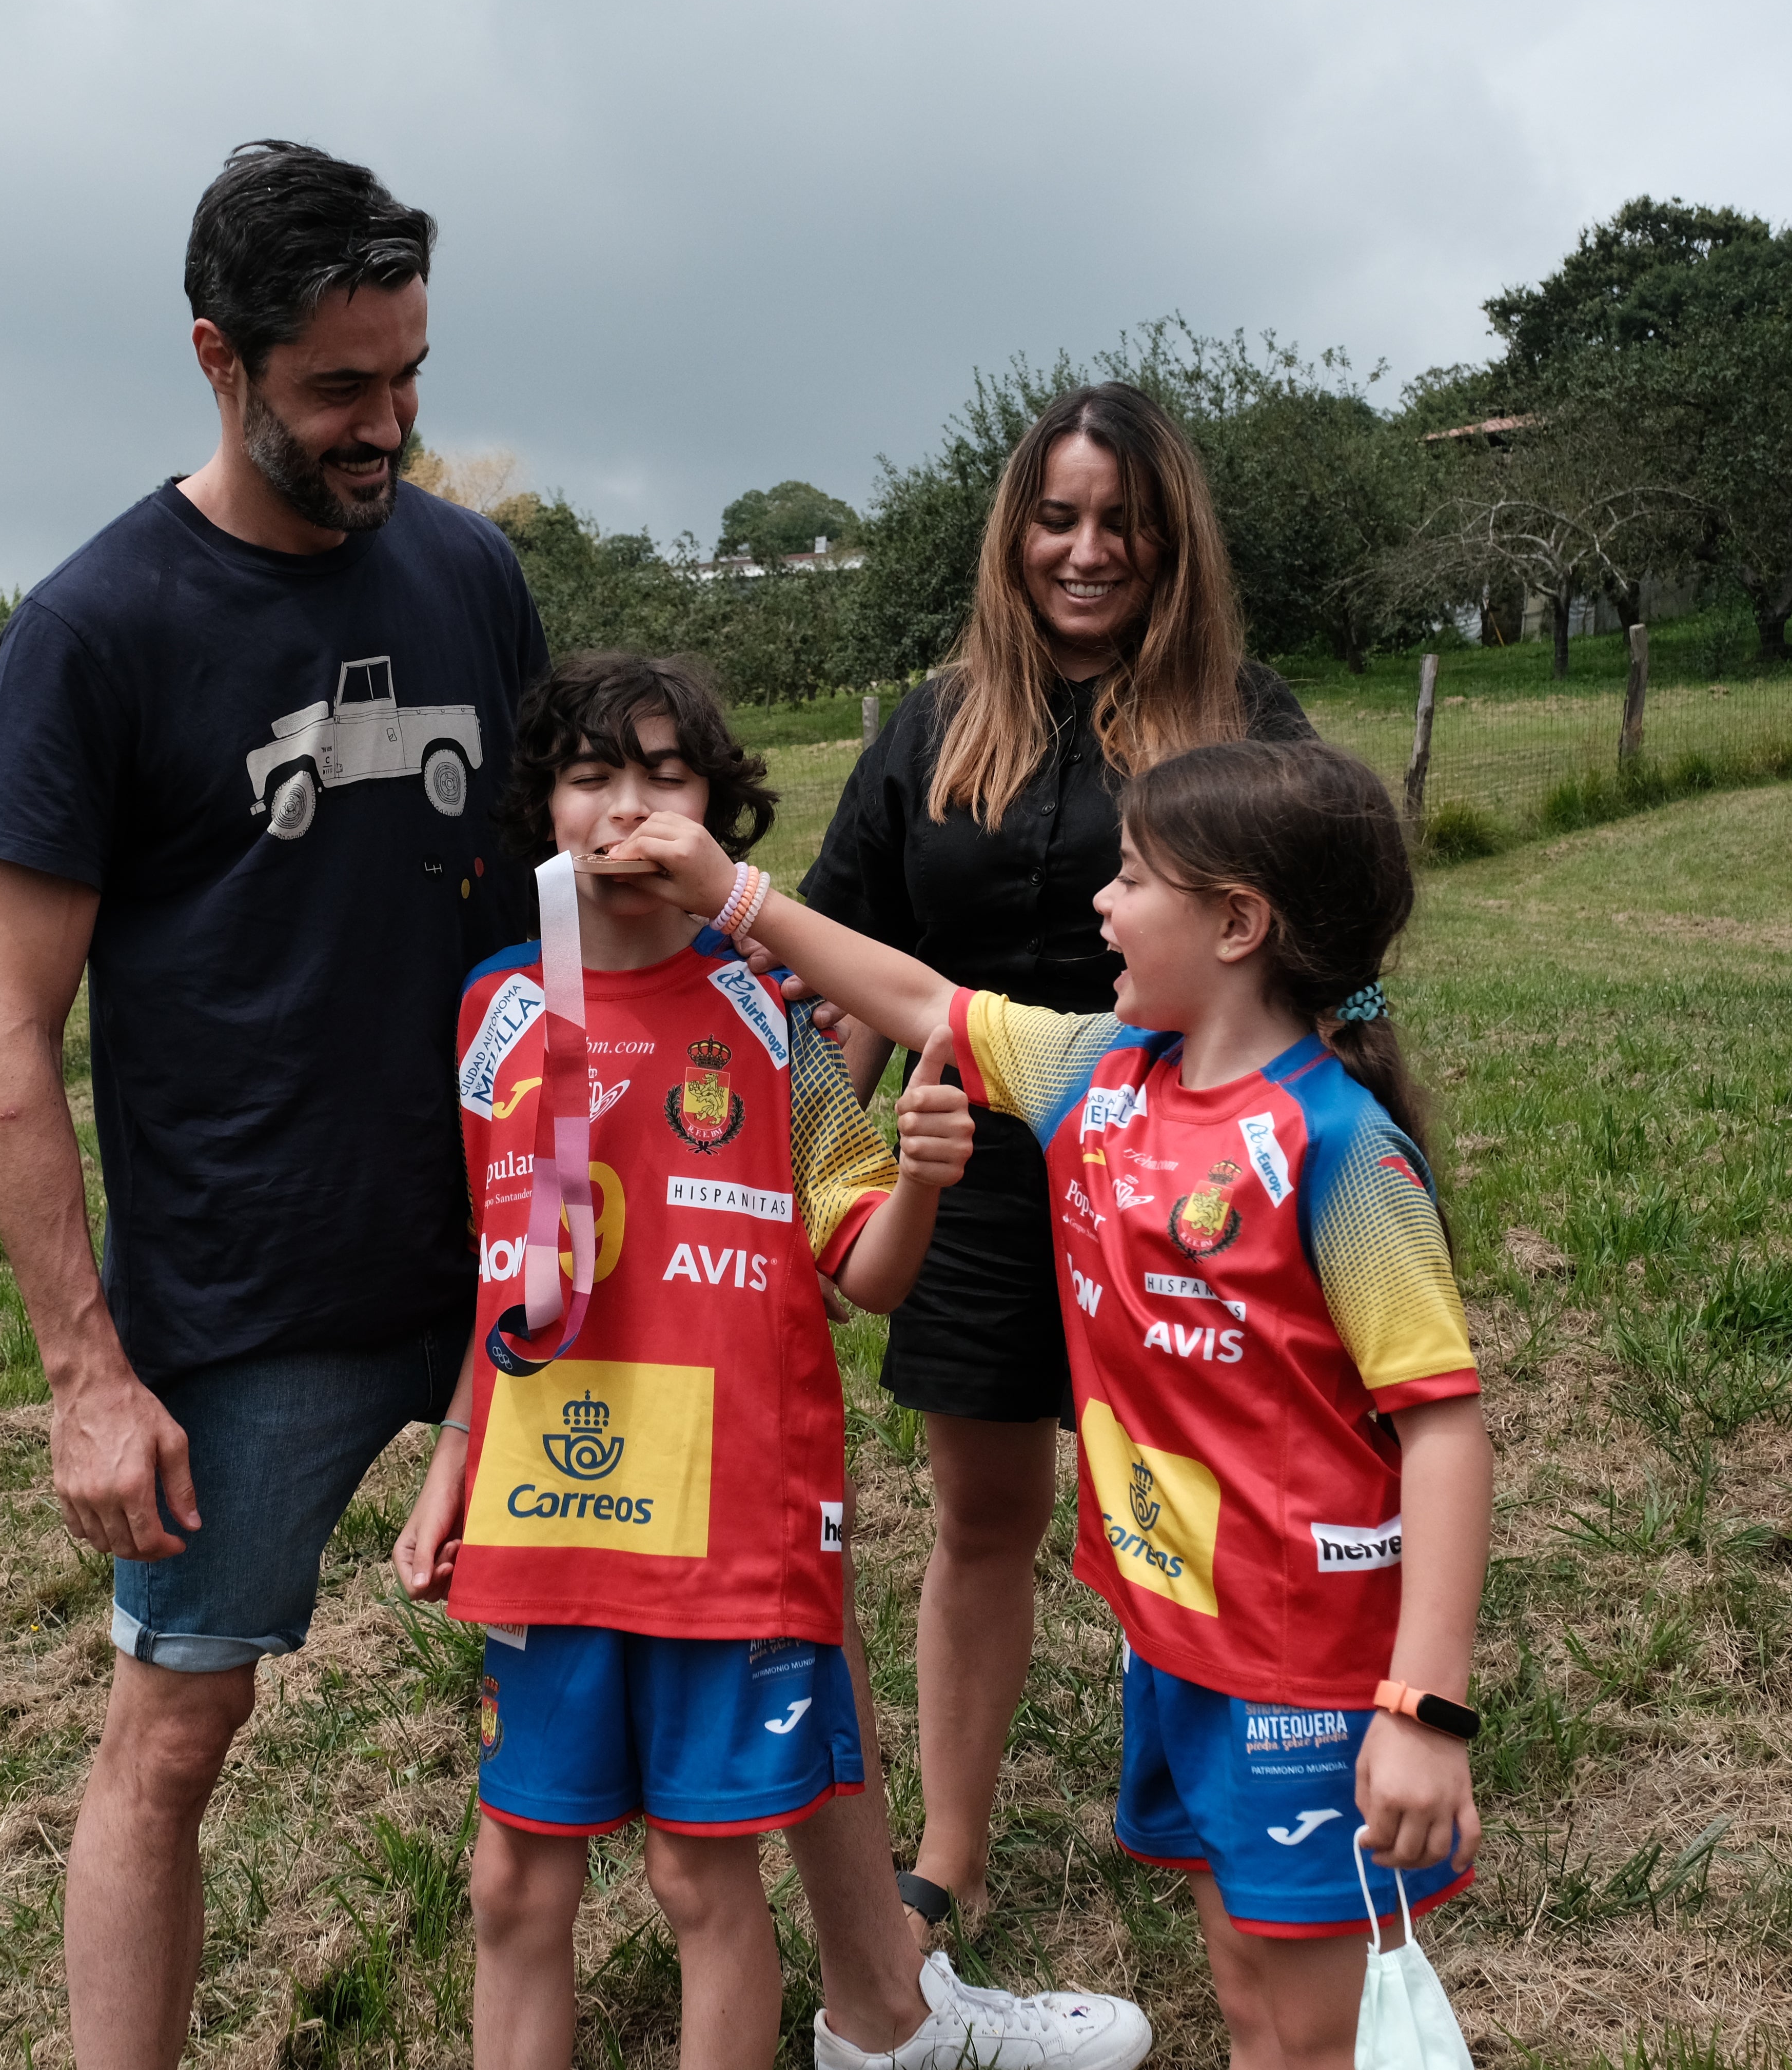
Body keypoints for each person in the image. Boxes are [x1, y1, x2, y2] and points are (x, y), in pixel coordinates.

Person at [613, 738, 1492, 2070]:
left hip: (1307, 1665)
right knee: (1247, 1984)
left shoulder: (1338, 1149)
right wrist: (732, 895)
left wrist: (1423, 1708)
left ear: (1240, 925)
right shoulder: (1099, 1072)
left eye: (1134, 878)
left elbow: (1443, 1432)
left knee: (1312, 2027)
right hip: (1180, 1642)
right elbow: (914, 996)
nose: (1101, 902)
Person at [0, 141, 549, 2070]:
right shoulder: (101, 630)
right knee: (175, 1730)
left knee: (587, 1693)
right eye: (338, 391)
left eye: (410, 380)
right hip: (247, 1301)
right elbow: (3, 1031)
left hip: (506, 1284)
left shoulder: (473, 576)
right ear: (219, 357)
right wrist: (85, 1372)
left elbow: (564, 912)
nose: (386, 427)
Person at [395, 656, 1157, 2070]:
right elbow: (503, 1276)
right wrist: (453, 1457)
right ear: (541, 808)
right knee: (514, 1883)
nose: (627, 808)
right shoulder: (489, 1010)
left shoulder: (771, 1013)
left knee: (701, 1880)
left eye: (665, 774)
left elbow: (866, 1273)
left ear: (719, 808)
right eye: (590, 774)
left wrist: (922, 1179)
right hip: (544, 1511)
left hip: (731, 1527)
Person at [795, 381, 1315, 1943]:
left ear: (1170, 542)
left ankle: (1244, 1810)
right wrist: (828, 1183)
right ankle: (947, 1849)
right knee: (982, 1518)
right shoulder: (934, 724)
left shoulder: (1247, 720)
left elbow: (1320, 954)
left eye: (1121, 524)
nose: (1086, 552)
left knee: (1209, 1508)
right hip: (980, 1179)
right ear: (1016, 530)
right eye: (1058, 518)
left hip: (1185, 1188)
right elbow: (847, 984)